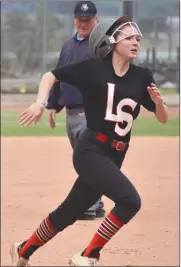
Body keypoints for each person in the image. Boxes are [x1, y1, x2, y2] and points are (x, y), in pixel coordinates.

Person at [11, 15, 168, 266]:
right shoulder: (93, 68)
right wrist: (41, 103)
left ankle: (23, 249)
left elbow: (162, 118)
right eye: (128, 37)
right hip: (91, 150)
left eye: (137, 37)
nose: (135, 41)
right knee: (130, 200)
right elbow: (51, 75)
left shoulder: (142, 76)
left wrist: (160, 103)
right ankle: (88, 255)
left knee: (70, 211)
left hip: (115, 155)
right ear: (112, 42)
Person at [46, 0, 105, 221]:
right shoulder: (68, 46)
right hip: (71, 112)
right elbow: (59, 75)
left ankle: (88, 206)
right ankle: (96, 202)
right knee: (86, 159)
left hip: (90, 112)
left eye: (88, 20)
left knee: (87, 159)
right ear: (74, 20)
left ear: (95, 20)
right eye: (80, 20)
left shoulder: (100, 46)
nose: (84, 24)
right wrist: (53, 104)